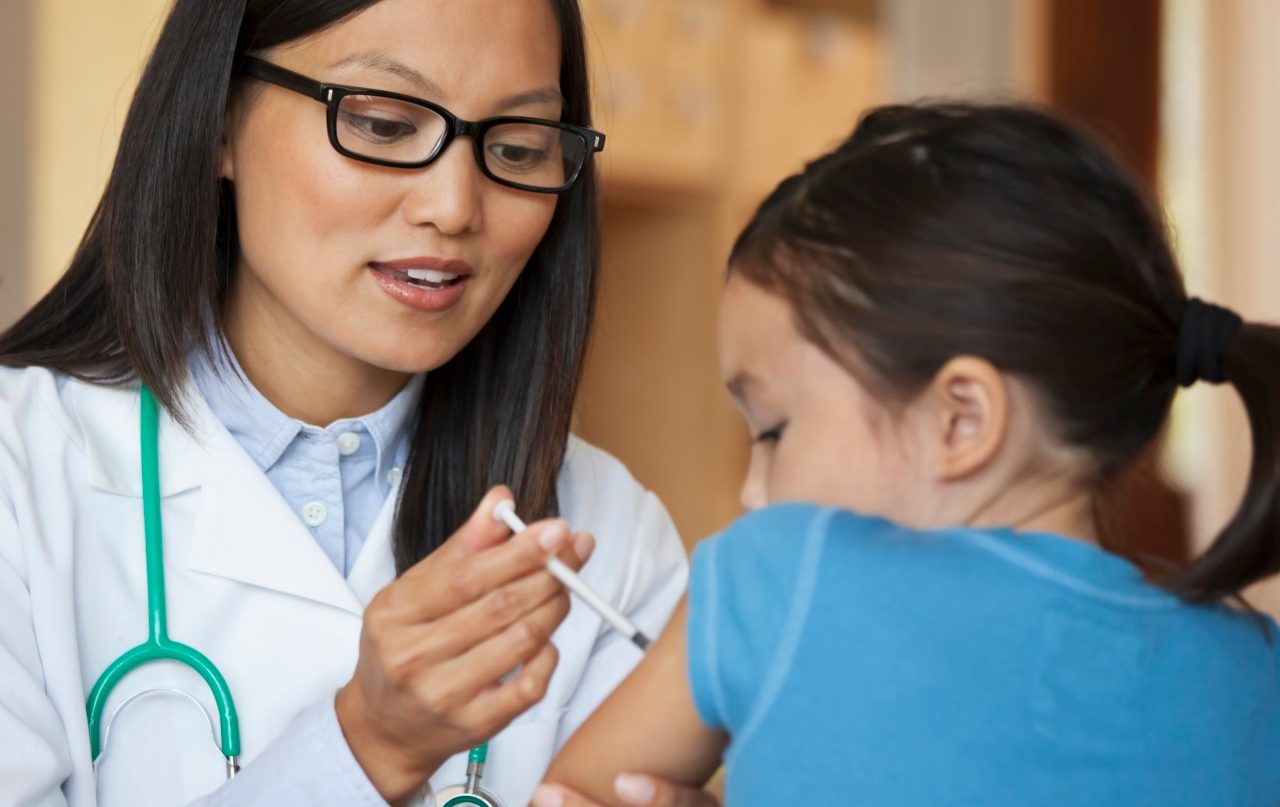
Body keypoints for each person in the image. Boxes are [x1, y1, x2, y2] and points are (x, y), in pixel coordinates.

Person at [0, 1, 689, 805]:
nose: (455, 207)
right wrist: (365, 749)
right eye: (384, 125)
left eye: (515, 146)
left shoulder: (610, 535)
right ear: (219, 120)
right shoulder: (21, 470)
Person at [535, 102, 1280, 807]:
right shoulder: (1255, 668)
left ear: (960, 420)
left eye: (773, 430)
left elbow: (570, 800)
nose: (755, 492)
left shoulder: (783, 574)